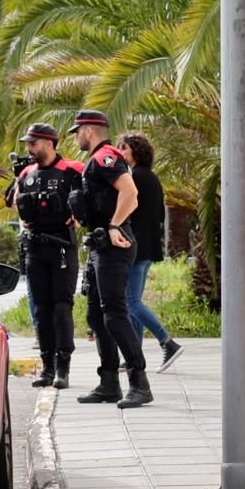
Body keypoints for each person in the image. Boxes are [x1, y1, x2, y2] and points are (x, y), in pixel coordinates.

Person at [68, 109, 152, 409]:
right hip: (100, 243)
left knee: (114, 314)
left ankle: (139, 383)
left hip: (114, 243)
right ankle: (108, 384)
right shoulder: (96, 160)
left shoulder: (106, 157)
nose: (76, 137)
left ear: (88, 130)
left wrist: (114, 225)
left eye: (76, 131)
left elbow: (131, 193)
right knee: (96, 316)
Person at [7, 123, 83, 390]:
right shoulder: (26, 172)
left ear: (50, 143)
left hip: (62, 246)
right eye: (28, 143)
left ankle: (63, 369)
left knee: (61, 307)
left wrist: (82, 217)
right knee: (41, 309)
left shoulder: (72, 170)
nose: (29, 148)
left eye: (34, 143)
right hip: (35, 248)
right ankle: (47, 368)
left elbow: (94, 197)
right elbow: (13, 201)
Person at [119, 132, 183, 372]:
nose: (120, 153)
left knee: (131, 302)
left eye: (124, 148)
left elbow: (130, 211)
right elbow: (158, 215)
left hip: (136, 247)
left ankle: (167, 341)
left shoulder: (135, 178)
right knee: (131, 302)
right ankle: (135, 355)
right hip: (147, 247)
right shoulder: (150, 177)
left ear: (136, 151)